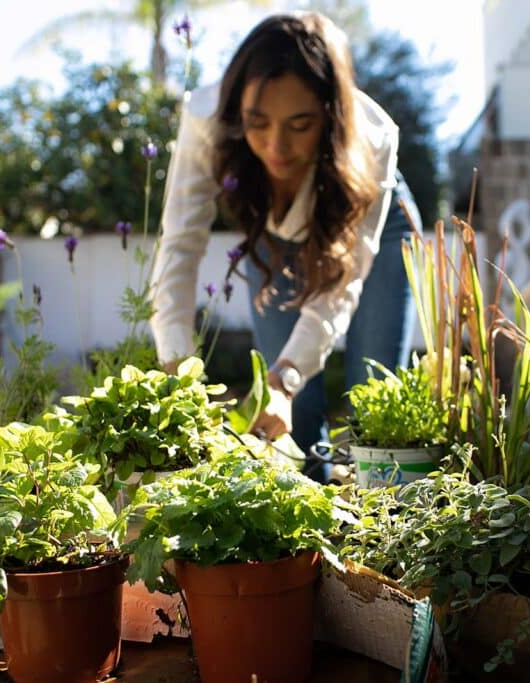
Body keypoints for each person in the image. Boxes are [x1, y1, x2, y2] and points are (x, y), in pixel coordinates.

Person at [151, 12, 421, 480]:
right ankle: (308, 545)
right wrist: (177, 368)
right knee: (284, 421)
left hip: (370, 229)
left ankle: (387, 535)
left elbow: (341, 285)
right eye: (258, 123)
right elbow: (179, 244)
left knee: (373, 401)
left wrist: (290, 375)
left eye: (299, 125)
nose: (276, 146)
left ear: (330, 118)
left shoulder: (372, 139)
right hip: (277, 237)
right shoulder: (206, 119)